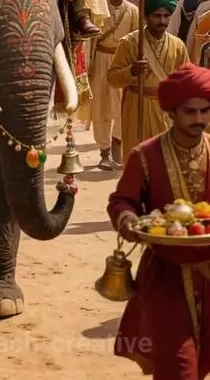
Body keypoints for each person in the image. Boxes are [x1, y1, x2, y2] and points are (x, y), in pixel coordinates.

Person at [108, 62, 210, 380]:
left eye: (205, 111)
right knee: (179, 370)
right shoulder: (145, 156)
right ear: (171, 113)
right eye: (190, 112)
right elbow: (121, 201)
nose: (199, 120)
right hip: (165, 277)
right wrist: (127, 220)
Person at [107, 0, 188, 160]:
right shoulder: (129, 43)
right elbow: (112, 78)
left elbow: (186, 81)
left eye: (166, 16)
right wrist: (131, 71)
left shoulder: (178, 45)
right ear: (146, 16)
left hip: (166, 111)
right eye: (157, 16)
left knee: (166, 162)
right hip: (136, 107)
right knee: (138, 161)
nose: (162, 21)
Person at [89, 0, 138, 169]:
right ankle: (104, 152)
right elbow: (90, 40)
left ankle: (117, 150)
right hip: (100, 60)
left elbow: (136, 40)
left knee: (121, 107)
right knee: (100, 108)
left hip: (121, 63)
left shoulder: (133, 10)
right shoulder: (98, 10)